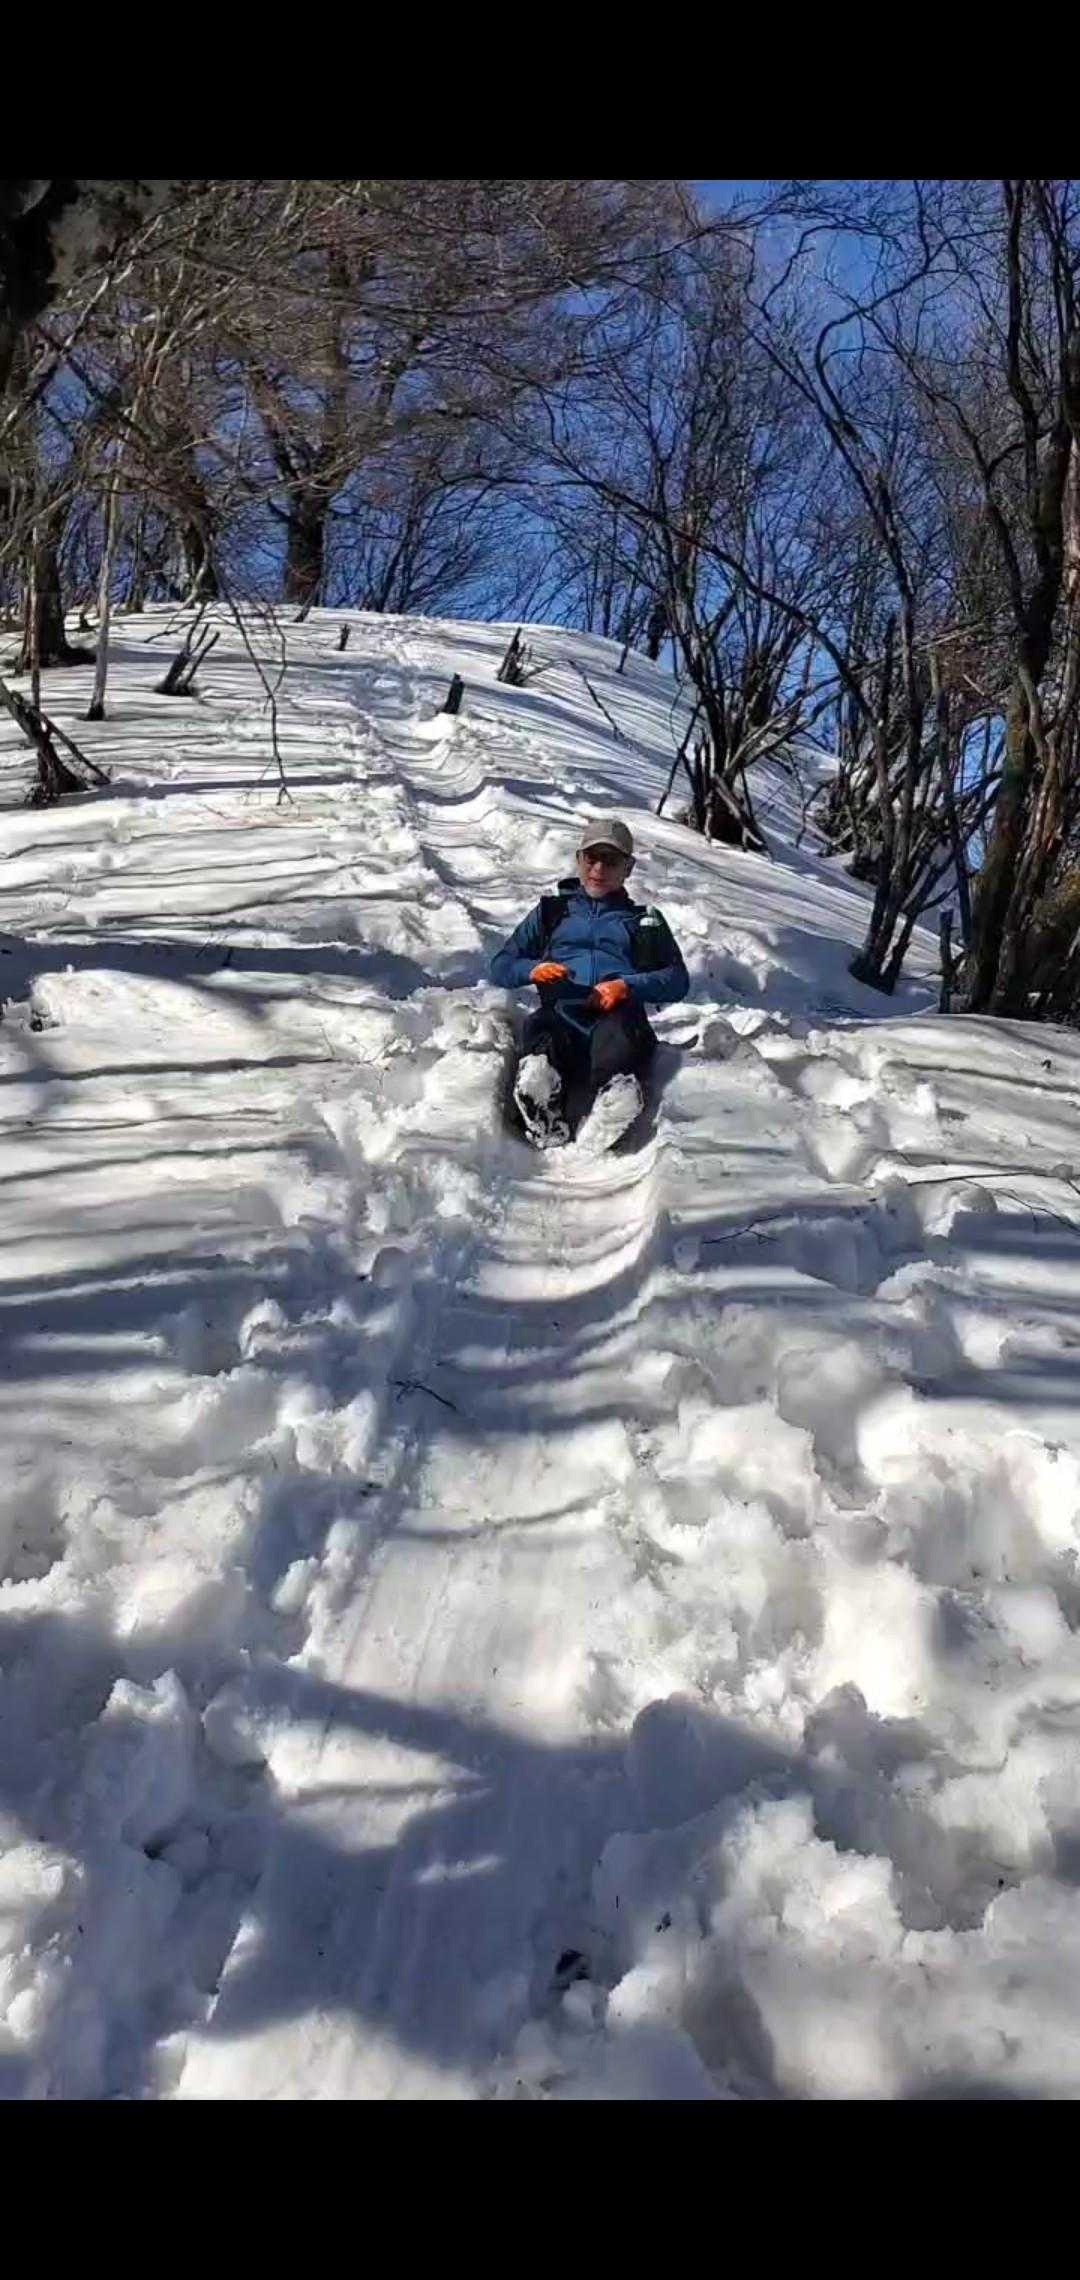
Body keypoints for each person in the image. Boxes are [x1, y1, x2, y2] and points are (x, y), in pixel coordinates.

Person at [489, 817, 690, 1151]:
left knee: (621, 1035)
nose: (598, 868)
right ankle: (542, 1100)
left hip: (616, 1018)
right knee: (542, 1029)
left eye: (610, 861)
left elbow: (677, 980)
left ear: (628, 868)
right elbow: (501, 966)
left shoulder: (644, 922)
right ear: (578, 859)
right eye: (591, 858)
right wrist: (532, 970)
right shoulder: (551, 912)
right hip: (562, 1013)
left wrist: (626, 986)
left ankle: (611, 1105)